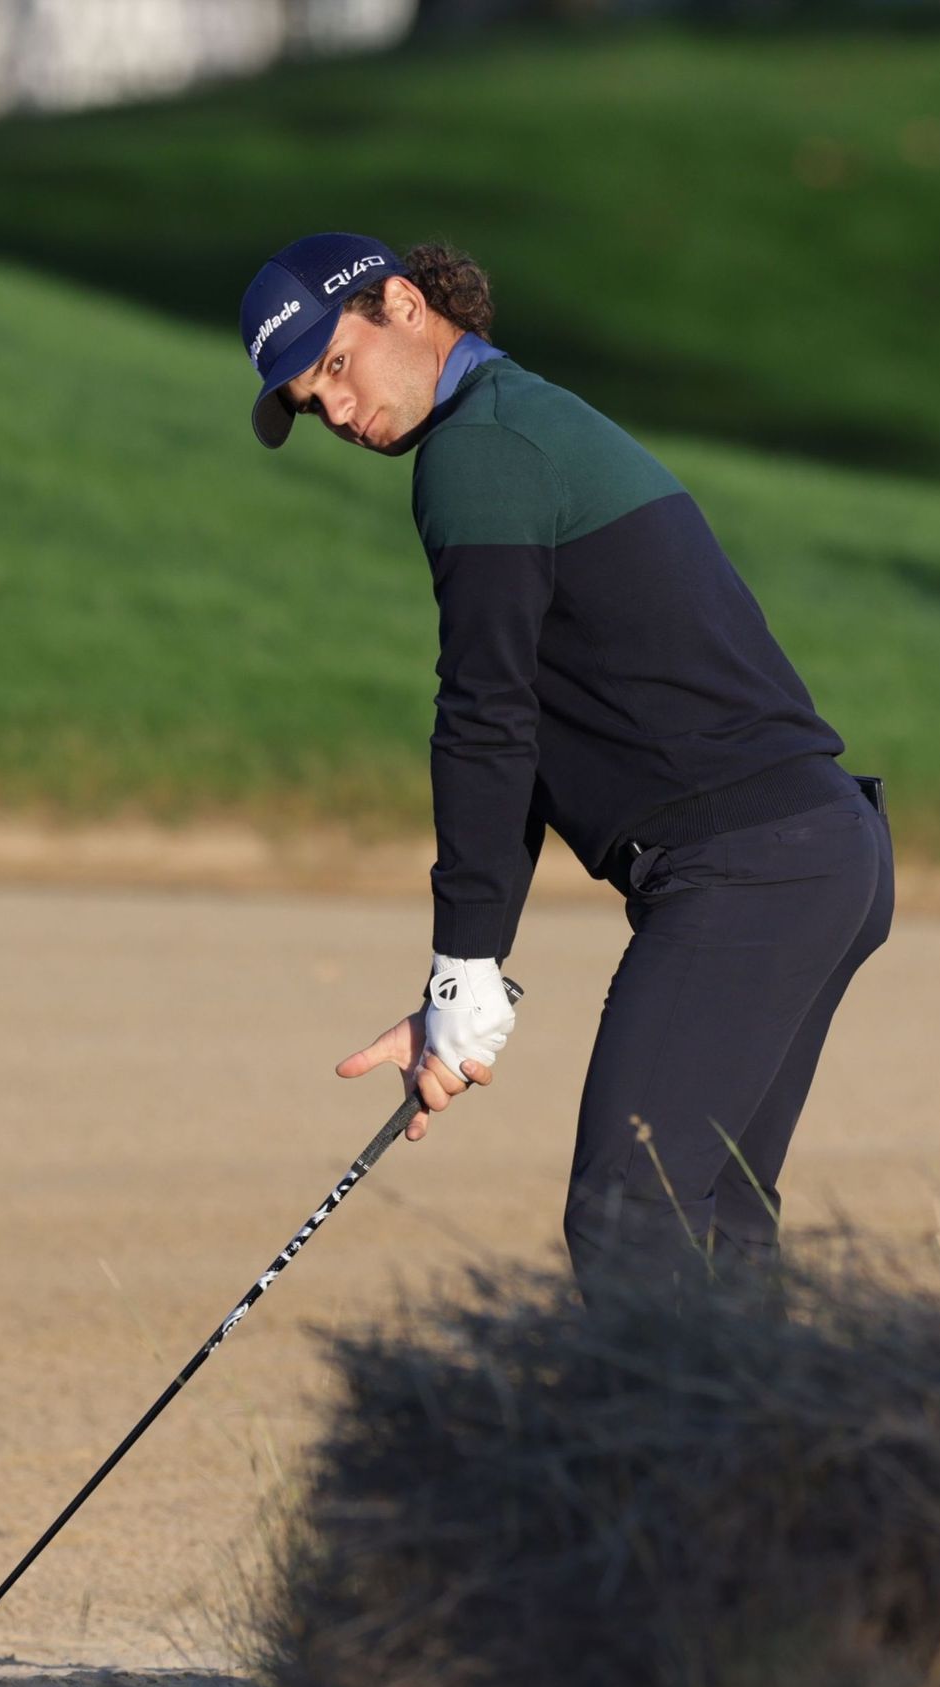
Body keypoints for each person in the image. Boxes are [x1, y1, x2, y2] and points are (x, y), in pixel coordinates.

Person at [239, 233, 893, 1296]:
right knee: (712, 1228)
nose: (340, 416)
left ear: (402, 305)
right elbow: (534, 726)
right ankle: (773, 1465)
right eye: (313, 402)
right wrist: (473, 971)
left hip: (750, 866)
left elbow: (485, 716)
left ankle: (693, 1467)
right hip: (818, 854)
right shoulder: (520, 420)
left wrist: (461, 965)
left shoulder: (480, 450)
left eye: (337, 369)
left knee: (630, 1220)